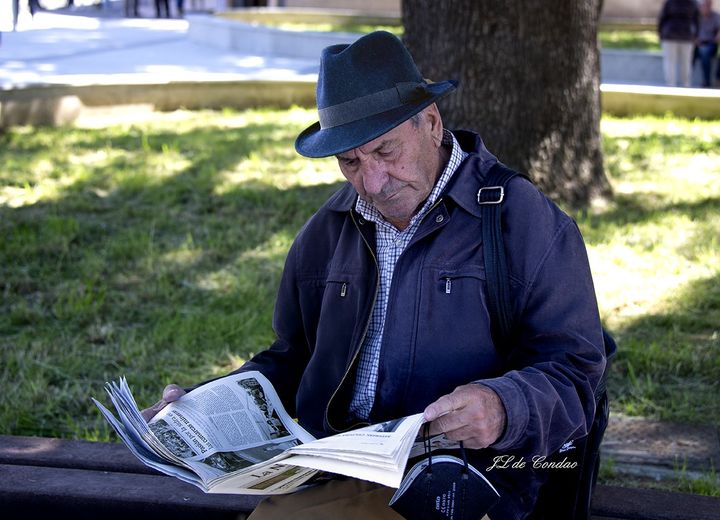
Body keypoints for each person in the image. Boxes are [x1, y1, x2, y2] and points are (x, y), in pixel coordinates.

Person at [142, 31, 606, 519]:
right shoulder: (327, 231)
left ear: (430, 122)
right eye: (350, 162)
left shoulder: (521, 220)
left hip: (463, 481)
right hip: (333, 471)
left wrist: (502, 406)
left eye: (385, 152)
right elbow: (292, 358)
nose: (372, 183)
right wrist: (208, 406)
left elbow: (575, 375)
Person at [658, 0, 701, 87]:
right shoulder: (693, 3)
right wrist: (696, 35)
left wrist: (660, 33)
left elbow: (662, 18)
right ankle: (685, 85)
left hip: (671, 34)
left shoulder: (670, 2)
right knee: (686, 62)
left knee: (670, 62)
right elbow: (697, 21)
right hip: (686, 35)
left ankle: (671, 85)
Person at [694, 0, 720, 87]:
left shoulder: (716, 16)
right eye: (704, 5)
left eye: (708, 5)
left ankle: (707, 81)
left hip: (711, 43)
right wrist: (696, 41)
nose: (706, 7)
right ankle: (686, 79)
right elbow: (692, 31)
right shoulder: (696, 16)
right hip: (697, 43)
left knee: (704, 52)